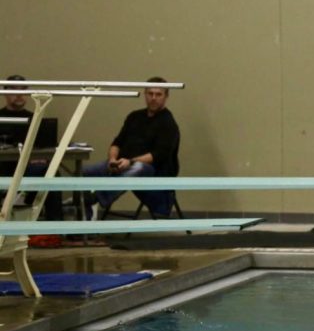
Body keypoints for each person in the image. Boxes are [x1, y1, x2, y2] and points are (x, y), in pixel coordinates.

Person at [82, 77, 180, 217]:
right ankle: (83, 217)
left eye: (158, 94)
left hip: (152, 174)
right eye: (150, 93)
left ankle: (97, 198)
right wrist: (112, 159)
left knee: (138, 167)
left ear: (166, 97)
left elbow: (158, 155)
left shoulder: (168, 124)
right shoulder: (134, 116)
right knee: (83, 172)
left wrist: (130, 162)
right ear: (145, 94)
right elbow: (117, 142)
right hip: (122, 163)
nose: (153, 98)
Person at [0, 74, 64, 222]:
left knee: (51, 173)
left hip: (28, 169)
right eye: (14, 90)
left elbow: (44, 148)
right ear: (5, 93)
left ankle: (54, 228)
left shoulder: (36, 117)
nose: (19, 95)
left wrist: (40, 159)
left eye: (23, 90)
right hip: (4, 168)